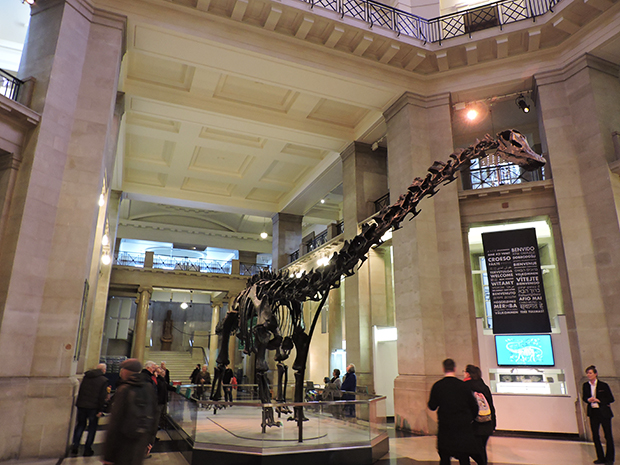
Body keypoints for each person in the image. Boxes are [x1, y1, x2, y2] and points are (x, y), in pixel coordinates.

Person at [103, 359, 158, 465]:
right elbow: (154, 416)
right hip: (140, 442)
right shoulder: (148, 387)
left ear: (126, 371)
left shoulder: (124, 389)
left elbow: (115, 422)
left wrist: (108, 456)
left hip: (123, 444)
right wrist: (150, 441)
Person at [428, 358, 479, 465]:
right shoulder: (463, 386)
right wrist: (470, 419)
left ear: (443, 369)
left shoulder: (438, 386)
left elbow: (432, 406)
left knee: (445, 458)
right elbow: (474, 406)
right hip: (462, 428)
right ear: (455, 369)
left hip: (445, 428)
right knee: (464, 458)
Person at [70, 363, 110, 456]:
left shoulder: (86, 377)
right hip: (94, 407)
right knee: (92, 428)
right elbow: (101, 396)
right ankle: (87, 448)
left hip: (82, 405)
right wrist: (101, 409)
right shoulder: (103, 380)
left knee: (80, 425)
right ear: (103, 370)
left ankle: (75, 445)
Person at [464, 364, 496, 465]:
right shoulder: (484, 387)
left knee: (469, 450)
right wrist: (493, 424)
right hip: (487, 424)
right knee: (482, 449)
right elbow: (491, 405)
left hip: (474, 425)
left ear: (468, 374)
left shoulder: (465, 387)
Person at [583, 365, 615, 464]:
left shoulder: (603, 385)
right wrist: (588, 400)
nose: (589, 375)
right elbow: (584, 397)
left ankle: (609, 458)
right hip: (593, 412)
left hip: (603, 412)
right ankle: (600, 457)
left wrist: (599, 400)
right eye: (587, 373)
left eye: (590, 373)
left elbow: (611, 398)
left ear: (595, 374)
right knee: (595, 436)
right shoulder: (586, 385)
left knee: (608, 435)